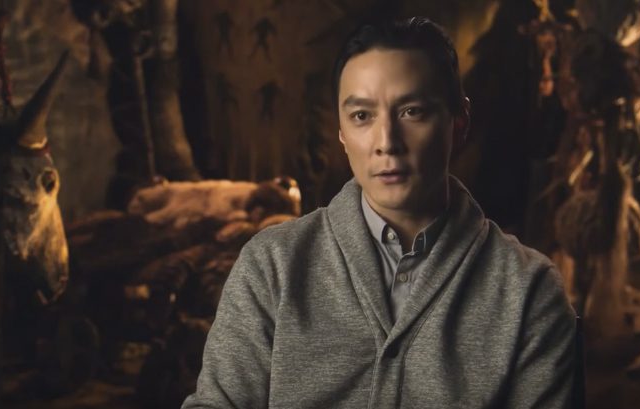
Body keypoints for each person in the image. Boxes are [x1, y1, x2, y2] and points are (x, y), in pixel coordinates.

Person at [182, 17, 576, 408]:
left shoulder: (528, 291)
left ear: (459, 121)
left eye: (412, 111)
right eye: (362, 116)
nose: (386, 142)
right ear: (341, 132)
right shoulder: (273, 265)